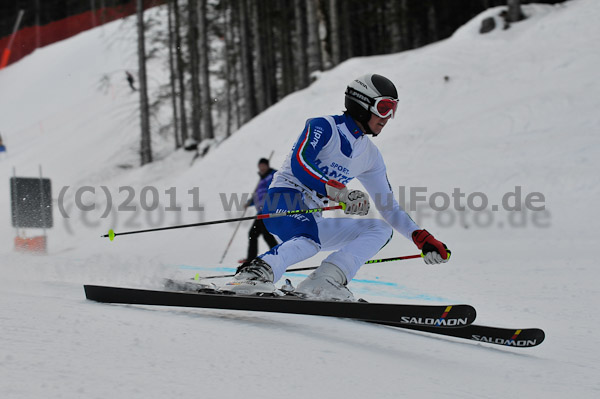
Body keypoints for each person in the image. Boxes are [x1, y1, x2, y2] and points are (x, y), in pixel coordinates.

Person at [224, 74, 450, 300]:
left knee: (379, 230)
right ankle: (254, 274)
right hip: (283, 200)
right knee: (308, 241)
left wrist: (422, 239)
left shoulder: (370, 155)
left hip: (313, 218)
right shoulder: (325, 126)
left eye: (393, 110)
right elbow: (301, 162)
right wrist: (341, 193)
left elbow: (388, 206)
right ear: (362, 104)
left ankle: (326, 280)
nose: (388, 117)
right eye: (384, 108)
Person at [240, 158, 279, 266]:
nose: (261, 168)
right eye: (260, 166)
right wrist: (249, 203)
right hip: (261, 212)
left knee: (264, 235)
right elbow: (258, 196)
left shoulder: (273, 176)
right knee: (254, 233)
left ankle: (277, 255)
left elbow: (274, 190)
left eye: (263, 166)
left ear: (267, 166)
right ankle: (252, 258)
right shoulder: (261, 180)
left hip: (268, 210)